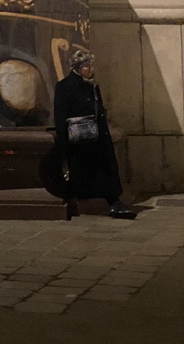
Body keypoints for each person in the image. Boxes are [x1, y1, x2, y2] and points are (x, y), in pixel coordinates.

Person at [53, 50, 137, 220]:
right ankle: (100, 202)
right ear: (78, 68)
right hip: (80, 140)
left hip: (97, 136)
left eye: (91, 65)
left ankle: (114, 202)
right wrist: (64, 146)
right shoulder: (64, 86)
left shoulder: (93, 86)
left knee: (106, 169)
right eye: (87, 66)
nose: (91, 69)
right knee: (85, 172)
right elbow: (60, 116)